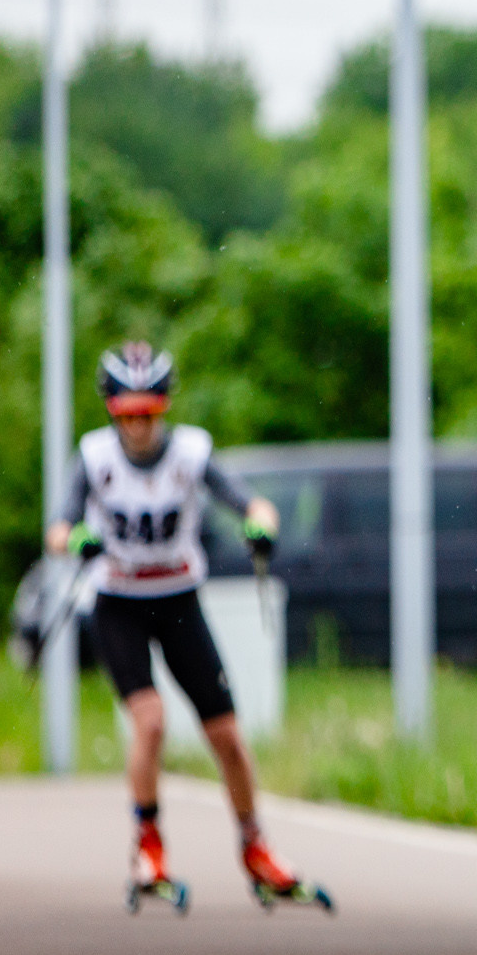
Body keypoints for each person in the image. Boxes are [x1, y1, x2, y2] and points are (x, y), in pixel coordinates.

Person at [44, 342, 329, 914]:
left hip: (177, 601)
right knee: (149, 722)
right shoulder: (95, 456)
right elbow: (57, 529)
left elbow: (254, 505)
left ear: (166, 406)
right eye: (127, 414)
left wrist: (260, 527)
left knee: (226, 735)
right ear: (110, 411)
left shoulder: (192, 453)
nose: (139, 427)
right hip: (119, 603)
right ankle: (148, 849)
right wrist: (77, 540)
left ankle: (256, 849)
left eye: (149, 412)